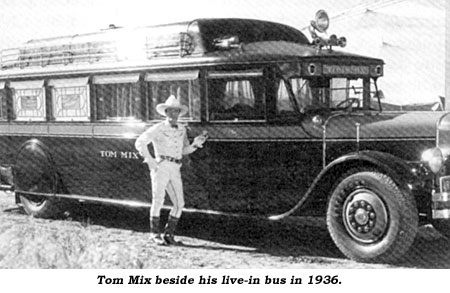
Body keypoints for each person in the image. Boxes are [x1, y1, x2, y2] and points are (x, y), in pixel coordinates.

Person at [135, 95, 207, 245]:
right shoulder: (158, 128)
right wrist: (150, 160)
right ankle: (155, 234)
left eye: (177, 111)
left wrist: (195, 144)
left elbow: (183, 150)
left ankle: (169, 234)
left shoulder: (182, 129)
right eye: (171, 111)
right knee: (158, 199)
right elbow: (140, 142)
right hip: (161, 166)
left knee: (179, 203)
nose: (174, 114)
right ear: (165, 113)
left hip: (175, 167)